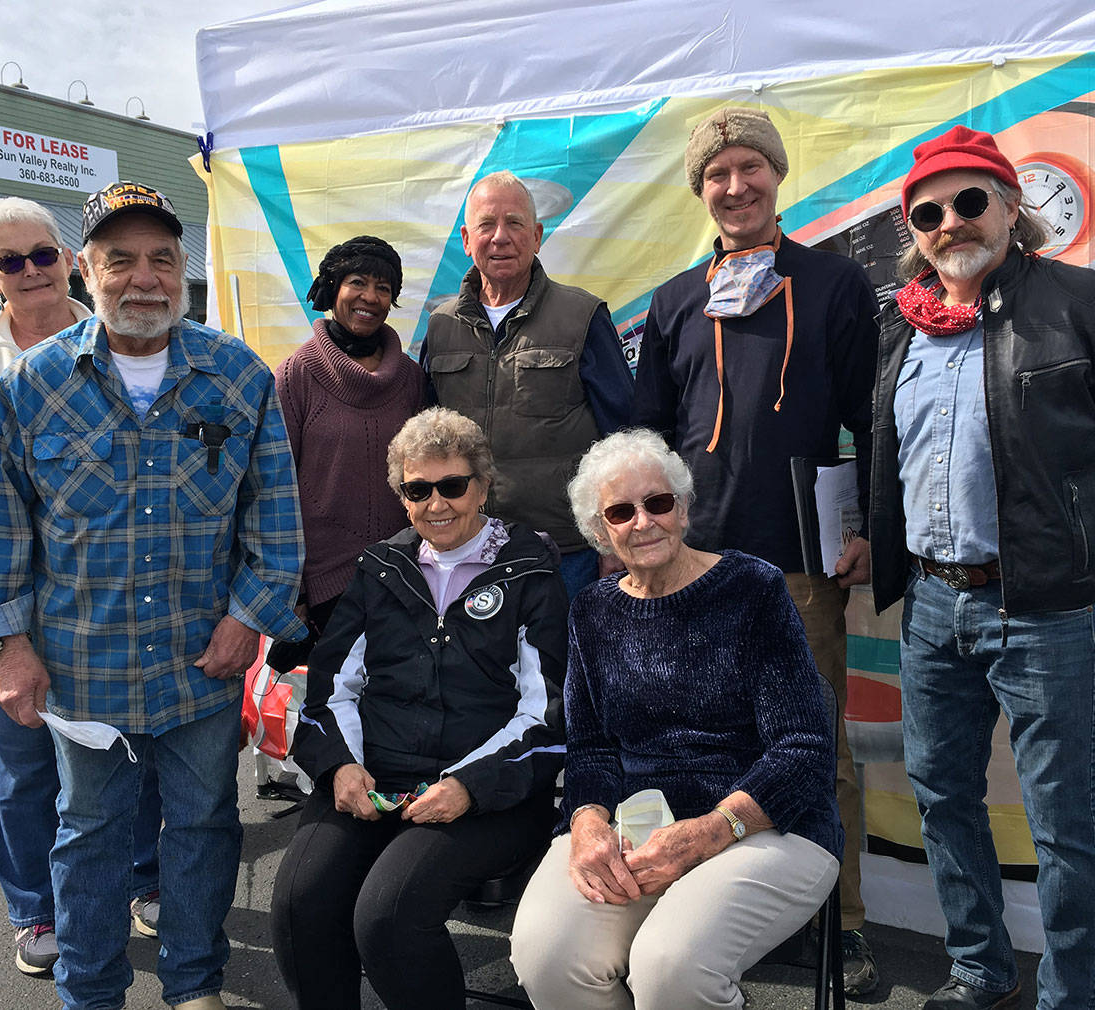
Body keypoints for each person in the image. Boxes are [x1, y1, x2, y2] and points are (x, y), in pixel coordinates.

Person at [0, 180, 306, 1010]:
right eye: (121, 260)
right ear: (86, 270)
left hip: (203, 663)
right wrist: (10, 648)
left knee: (203, 829)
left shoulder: (238, 377)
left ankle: (193, 986)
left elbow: (278, 524)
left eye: (161, 259)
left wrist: (246, 620)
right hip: (82, 666)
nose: (143, 278)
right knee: (89, 839)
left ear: (184, 269)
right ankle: (91, 992)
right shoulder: (31, 386)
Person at [868, 126, 1095, 1010]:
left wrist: (1081, 559)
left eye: (971, 200)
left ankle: (1073, 996)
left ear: (1013, 206)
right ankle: (979, 969)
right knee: (942, 797)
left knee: (1069, 828)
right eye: (927, 211)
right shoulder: (900, 324)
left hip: (1046, 611)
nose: (950, 222)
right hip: (932, 606)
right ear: (914, 230)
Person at [630, 106, 881, 994]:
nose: (735, 186)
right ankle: (705, 905)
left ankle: (839, 923)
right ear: (700, 191)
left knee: (815, 745)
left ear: (778, 176)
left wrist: (867, 532)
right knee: (698, 745)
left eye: (750, 168)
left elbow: (872, 421)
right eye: (716, 174)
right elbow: (649, 438)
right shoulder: (672, 302)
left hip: (799, 568)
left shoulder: (837, 286)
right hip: (689, 571)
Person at [511, 428, 842, 1010]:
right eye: (620, 511)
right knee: (546, 956)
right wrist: (586, 822)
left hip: (765, 825)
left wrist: (708, 832)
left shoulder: (752, 588)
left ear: (685, 509)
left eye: (658, 502)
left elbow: (802, 750)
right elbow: (589, 747)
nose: (643, 521)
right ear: (598, 531)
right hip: (638, 828)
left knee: (669, 969)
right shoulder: (592, 610)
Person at [0, 196, 162, 975]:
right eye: (11, 260)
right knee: (27, 763)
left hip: (113, 598)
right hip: (11, 607)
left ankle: (144, 879)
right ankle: (36, 911)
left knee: (133, 749)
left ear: (71, 260)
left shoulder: (124, 342)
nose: (32, 271)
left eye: (43, 254)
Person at [271, 407, 567, 1010]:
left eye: (454, 485)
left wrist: (467, 785)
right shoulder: (381, 567)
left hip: (491, 794)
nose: (438, 503)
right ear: (401, 496)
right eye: (417, 489)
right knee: (302, 902)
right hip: (375, 777)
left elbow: (549, 714)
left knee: (387, 918)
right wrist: (340, 768)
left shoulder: (531, 570)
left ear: (482, 486)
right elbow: (329, 689)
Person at [422, 170, 634, 599]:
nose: (500, 237)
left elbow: (624, 438)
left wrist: (615, 539)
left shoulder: (582, 316)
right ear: (466, 239)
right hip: (467, 550)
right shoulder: (441, 326)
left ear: (536, 236)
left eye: (515, 223)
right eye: (487, 224)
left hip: (566, 555)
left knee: (564, 668)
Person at [272, 235, 425, 666]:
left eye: (384, 287)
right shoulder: (296, 376)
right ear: (333, 287)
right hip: (324, 587)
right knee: (337, 711)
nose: (371, 297)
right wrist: (295, 592)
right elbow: (273, 490)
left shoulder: (412, 380)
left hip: (406, 574)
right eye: (358, 282)